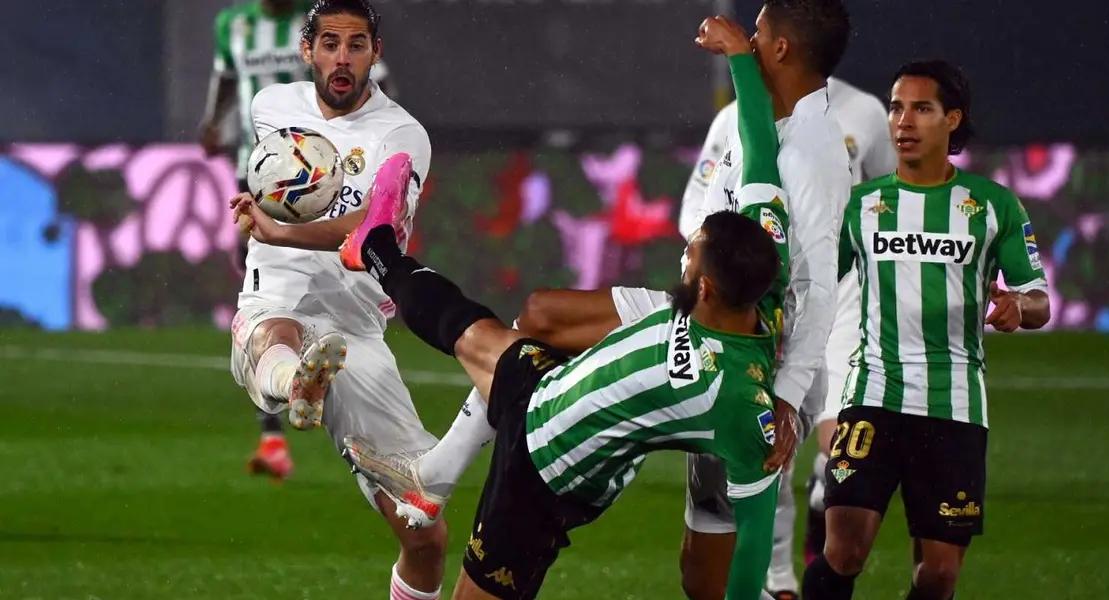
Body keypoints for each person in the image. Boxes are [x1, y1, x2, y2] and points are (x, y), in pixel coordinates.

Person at [342, 20, 791, 598]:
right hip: (545, 381)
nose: (682, 258)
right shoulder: (758, 254)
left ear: (705, 290)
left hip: (547, 475)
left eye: (690, 257)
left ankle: (428, 484)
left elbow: (754, 537)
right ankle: (375, 247)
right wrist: (739, 59)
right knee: (464, 325)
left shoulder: (736, 399)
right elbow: (761, 151)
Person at [801, 60, 1051, 600]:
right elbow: (816, 287)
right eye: (895, 108)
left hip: (954, 405)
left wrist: (1017, 306)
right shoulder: (861, 206)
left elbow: (1039, 298)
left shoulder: (992, 205)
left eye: (921, 108)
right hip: (872, 392)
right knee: (843, 548)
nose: (903, 121)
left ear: (952, 119)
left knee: (938, 575)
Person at [226, 2, 446, 598]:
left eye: (355, 44)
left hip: (356, 330)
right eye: (329, 43)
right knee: (276, 334)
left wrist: (282, 230)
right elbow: (273, 181)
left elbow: (378, 227)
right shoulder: (270, 107)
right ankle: (295, 382)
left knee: (424, 534)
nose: (341, 58)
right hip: (278, 294)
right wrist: (264, 217)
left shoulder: (401, 136)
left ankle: (303, 378)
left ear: (376, 51)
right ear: (308, 49)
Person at [682, 74, 896, 600]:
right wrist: (733, 269)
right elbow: (696, 207)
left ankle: (827, 520)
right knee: (765, 445)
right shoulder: (734, 117)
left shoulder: (863, 111)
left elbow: (887, 197)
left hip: (842, 296)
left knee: (833, 445)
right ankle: (778, 580)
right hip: (759, 303)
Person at [200, 0, 390, 480]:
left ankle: (304, 391)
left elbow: (373, 84)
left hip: (333, 180)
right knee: (266, 292)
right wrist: (213, 123)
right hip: (262, 181)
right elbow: (226, 82)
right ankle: (277, 423)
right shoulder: (233, 25)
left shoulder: (325, 27)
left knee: (300, 288)